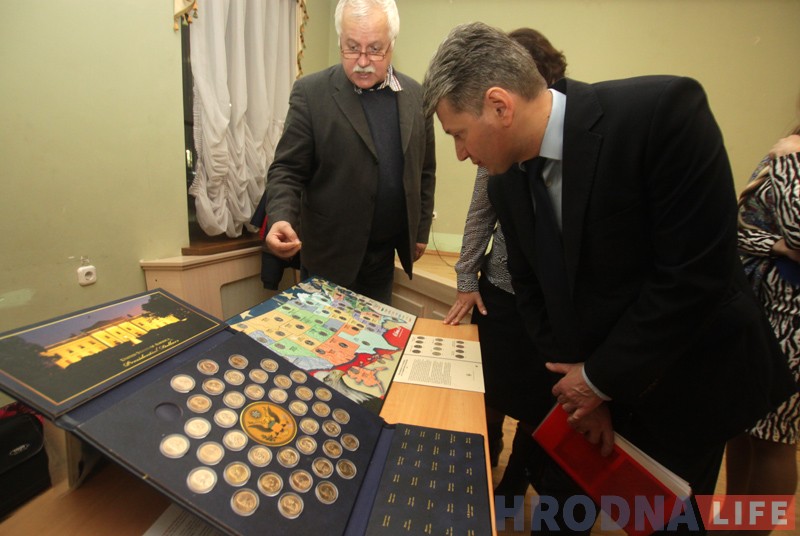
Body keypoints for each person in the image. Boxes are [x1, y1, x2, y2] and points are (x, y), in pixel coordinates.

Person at [423, 22, 796, 534]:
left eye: (458, 134)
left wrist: (599, 380)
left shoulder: (662, 114)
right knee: (558, 511)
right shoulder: (507, 182)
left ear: (499, 106)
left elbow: (694, 276)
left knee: (670, 518)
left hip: (682, 383)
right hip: (593, 392)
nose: (461, 153)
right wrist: (582, 392)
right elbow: (534, 292)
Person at [442, 27, 567, 505]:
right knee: (490, 393)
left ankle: (514, 484)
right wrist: (465, 278)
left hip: (551, 311)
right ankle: (482, 461)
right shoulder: (490, 149)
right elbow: (480, 215)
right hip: (501, 297)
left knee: (539, 408)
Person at [262, 0, 436, 305]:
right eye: (352, 47)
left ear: (392, 44)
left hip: (382, 260)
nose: (362, 61)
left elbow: (424, 170)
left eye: (375, 49)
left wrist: (420, 231)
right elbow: (287, 170)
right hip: (327, 259)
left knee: (375, 335)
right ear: (340, 40)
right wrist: (280, 217)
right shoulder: (311, 93)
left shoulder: (416, 97)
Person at [726, 128, 800, 534]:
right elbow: (740, 231)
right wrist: (778, 246)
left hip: (793, 322)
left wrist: (789, 163)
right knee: (741, 426)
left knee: (774, 437)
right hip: (759, 310)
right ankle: (732, 525)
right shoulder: (792, 147)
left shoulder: (791, 157)